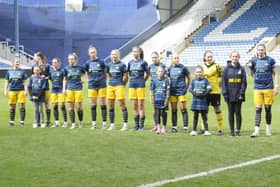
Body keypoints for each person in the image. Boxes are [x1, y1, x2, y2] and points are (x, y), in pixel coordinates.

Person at [248, 44, 278, 137]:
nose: (260, 51)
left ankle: (268, 129)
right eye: (259, 50)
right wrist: (256, 79)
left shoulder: (270, 60)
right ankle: (256, 130)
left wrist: (276, 86)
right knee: (258, 109)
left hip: (269, 88)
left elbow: (276, 73)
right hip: (258, 88)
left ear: (265, 50)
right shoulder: (253, 60)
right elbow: (252, 72)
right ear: (257, 51)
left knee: (268, 109)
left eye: (262, 50)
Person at [222, 51, 247, 136]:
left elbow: (244, 82)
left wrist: (242, 93)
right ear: (230, 57)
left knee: (238, 112)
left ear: (238, 58)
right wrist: (225, 93)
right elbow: (223, 83)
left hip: (238, 94)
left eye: (236, 56)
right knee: (230, 112)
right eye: (233, 56)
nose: (234, 58)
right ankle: (232, 131)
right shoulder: (226, 69)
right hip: (229, 94)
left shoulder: (242, 69)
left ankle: (238, 130)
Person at [201, 50, 224, 135]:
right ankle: (204, 128)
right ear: (204, 57)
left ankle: (220, 128)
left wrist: (219, 86)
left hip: (215, 91)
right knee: (204, 110)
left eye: (211, 56)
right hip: (205, 92)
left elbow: (222, 77)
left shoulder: (217, 66)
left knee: (217, 109)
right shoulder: (202, 66)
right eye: (208, 56)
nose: (210, 58)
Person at [85, 46, 107, 130]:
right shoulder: (87, 63)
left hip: (101, 85)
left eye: (94, 52)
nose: (92, 54)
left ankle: (104, 123)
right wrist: (89, 80)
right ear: (89, 54)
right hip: (92, 85)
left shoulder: (101, 62)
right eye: (91, 52)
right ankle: (93, 124)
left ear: (96, 53)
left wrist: (103, 80)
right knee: (93, 104)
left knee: (102, 104)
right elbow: (86, 72)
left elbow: (105, 73)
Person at [106, 49, 128, 131]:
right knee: (110, 105)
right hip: (110, 86)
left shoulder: (122, 65)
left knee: (122, 104)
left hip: (119, 86)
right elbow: (107, 74)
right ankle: (112, 125)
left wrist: (123, 85)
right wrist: (109, 81)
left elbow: (126, 77)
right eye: (112, 54)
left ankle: (125, 124)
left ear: (118, 55)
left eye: (115, 54)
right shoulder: (109, 65)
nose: (113, 56)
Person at [128, 46, 149, 131]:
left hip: (140, 85)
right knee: (134, 106)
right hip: (132, 85)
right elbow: (129, 73)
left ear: (139, 53)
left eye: (136, 51)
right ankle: (136, 125)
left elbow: (148, 74)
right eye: (133, 51)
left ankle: (141, 126)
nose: (134, 53)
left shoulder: (143, 62)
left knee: (141, 105)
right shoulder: (130, 63)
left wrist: (143, 80)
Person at [168, 53, 191, 133]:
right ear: (172, 60)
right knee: (174, 110)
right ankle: (174, 127)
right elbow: (167, 78)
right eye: (175, 58)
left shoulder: (183, 68)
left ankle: (185, 127)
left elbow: (189, 78)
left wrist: (186, 88)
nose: (177, 59)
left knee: (183, 109)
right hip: (173, 92)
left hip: (181, 91)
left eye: (178, 58)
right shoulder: (170, 68)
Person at [63, 53, 85, 129]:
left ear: (75, 59)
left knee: (79, 107)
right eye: (69, 59)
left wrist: (83, 79)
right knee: (71, 107)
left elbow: (84, 75)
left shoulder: (80, 68)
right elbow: (65, 79)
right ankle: (73, 123)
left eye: (72, 59)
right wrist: (64, 89)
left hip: (78, 89)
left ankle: (80, 122)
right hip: (70, 89)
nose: (70, 60)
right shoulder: (66, 68)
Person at [4, 57, 28, 126]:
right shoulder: (9, 71)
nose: (17, 63)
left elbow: (25, 81)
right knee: (12, 106)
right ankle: (11, 122)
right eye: (16, 62)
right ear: (13, 63)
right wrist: (5, 90)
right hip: (12, 90)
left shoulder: (22, 71)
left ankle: (22, 122)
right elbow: (7, 81)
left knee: (22, 105)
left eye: (18, 62)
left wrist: (26, 90)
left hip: (21, 90)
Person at [189, 65, 212, 136]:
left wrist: (204, 94)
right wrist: (194, 93)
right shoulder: (193, 81)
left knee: (204, 116)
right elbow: (190, 89)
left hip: (203, 100)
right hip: (196, 100)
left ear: (202, 72)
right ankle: (194, 130)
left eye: (200, 72)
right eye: (197, 72)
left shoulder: (205, 80)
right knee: (195, 115)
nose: (198, 73)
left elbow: (209, 88)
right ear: (195, 73)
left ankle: (206, 130)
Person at [148, 51, 167, 131]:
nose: (154, 59)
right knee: (154, 109)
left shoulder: (163, 66)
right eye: (153, 57)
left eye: (155, 57)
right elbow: (149, 76)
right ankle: (156, 125)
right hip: (153, 89)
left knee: (162, 110)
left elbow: (166, 77)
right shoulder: (150, 66)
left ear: (158, 57)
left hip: (161, 90)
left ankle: (163, 126)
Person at [33, 52, 52, 127]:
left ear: (39, 57)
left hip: (45, 88)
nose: (34, 58)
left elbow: (51, 76)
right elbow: (32, 76)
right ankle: (37, 122)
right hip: (37, 89)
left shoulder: (47, 66)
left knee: (47, 104)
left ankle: (48, 121)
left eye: (35, 57)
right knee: (37, 106)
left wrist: (46, 77)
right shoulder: (34, 66)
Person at [150, 66, 170, 134]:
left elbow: (168, 91)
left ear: (163, 72)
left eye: (161, 71)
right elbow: (152, 91)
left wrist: (166, 100)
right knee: (157, 114)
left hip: (164, 100)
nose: (160, 72)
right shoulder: (154, 80)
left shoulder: (166, 80)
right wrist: (152, 100)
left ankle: (164, 127)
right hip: (156, 100)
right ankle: (158, 127)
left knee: (163, 113)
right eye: (159, 71)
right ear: (156, 72)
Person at [49, 57, 68, 128]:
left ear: (59, 63)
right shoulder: (51, 71)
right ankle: (57, 122)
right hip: (54, 90)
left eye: (55, 62)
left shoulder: (62, 71)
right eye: (53, 62)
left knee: (62, 105)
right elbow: (51, 79)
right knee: (55, 106)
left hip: (60, 90)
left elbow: (64, 80)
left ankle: (65, 122)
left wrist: (64, 89)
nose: (54, 64)